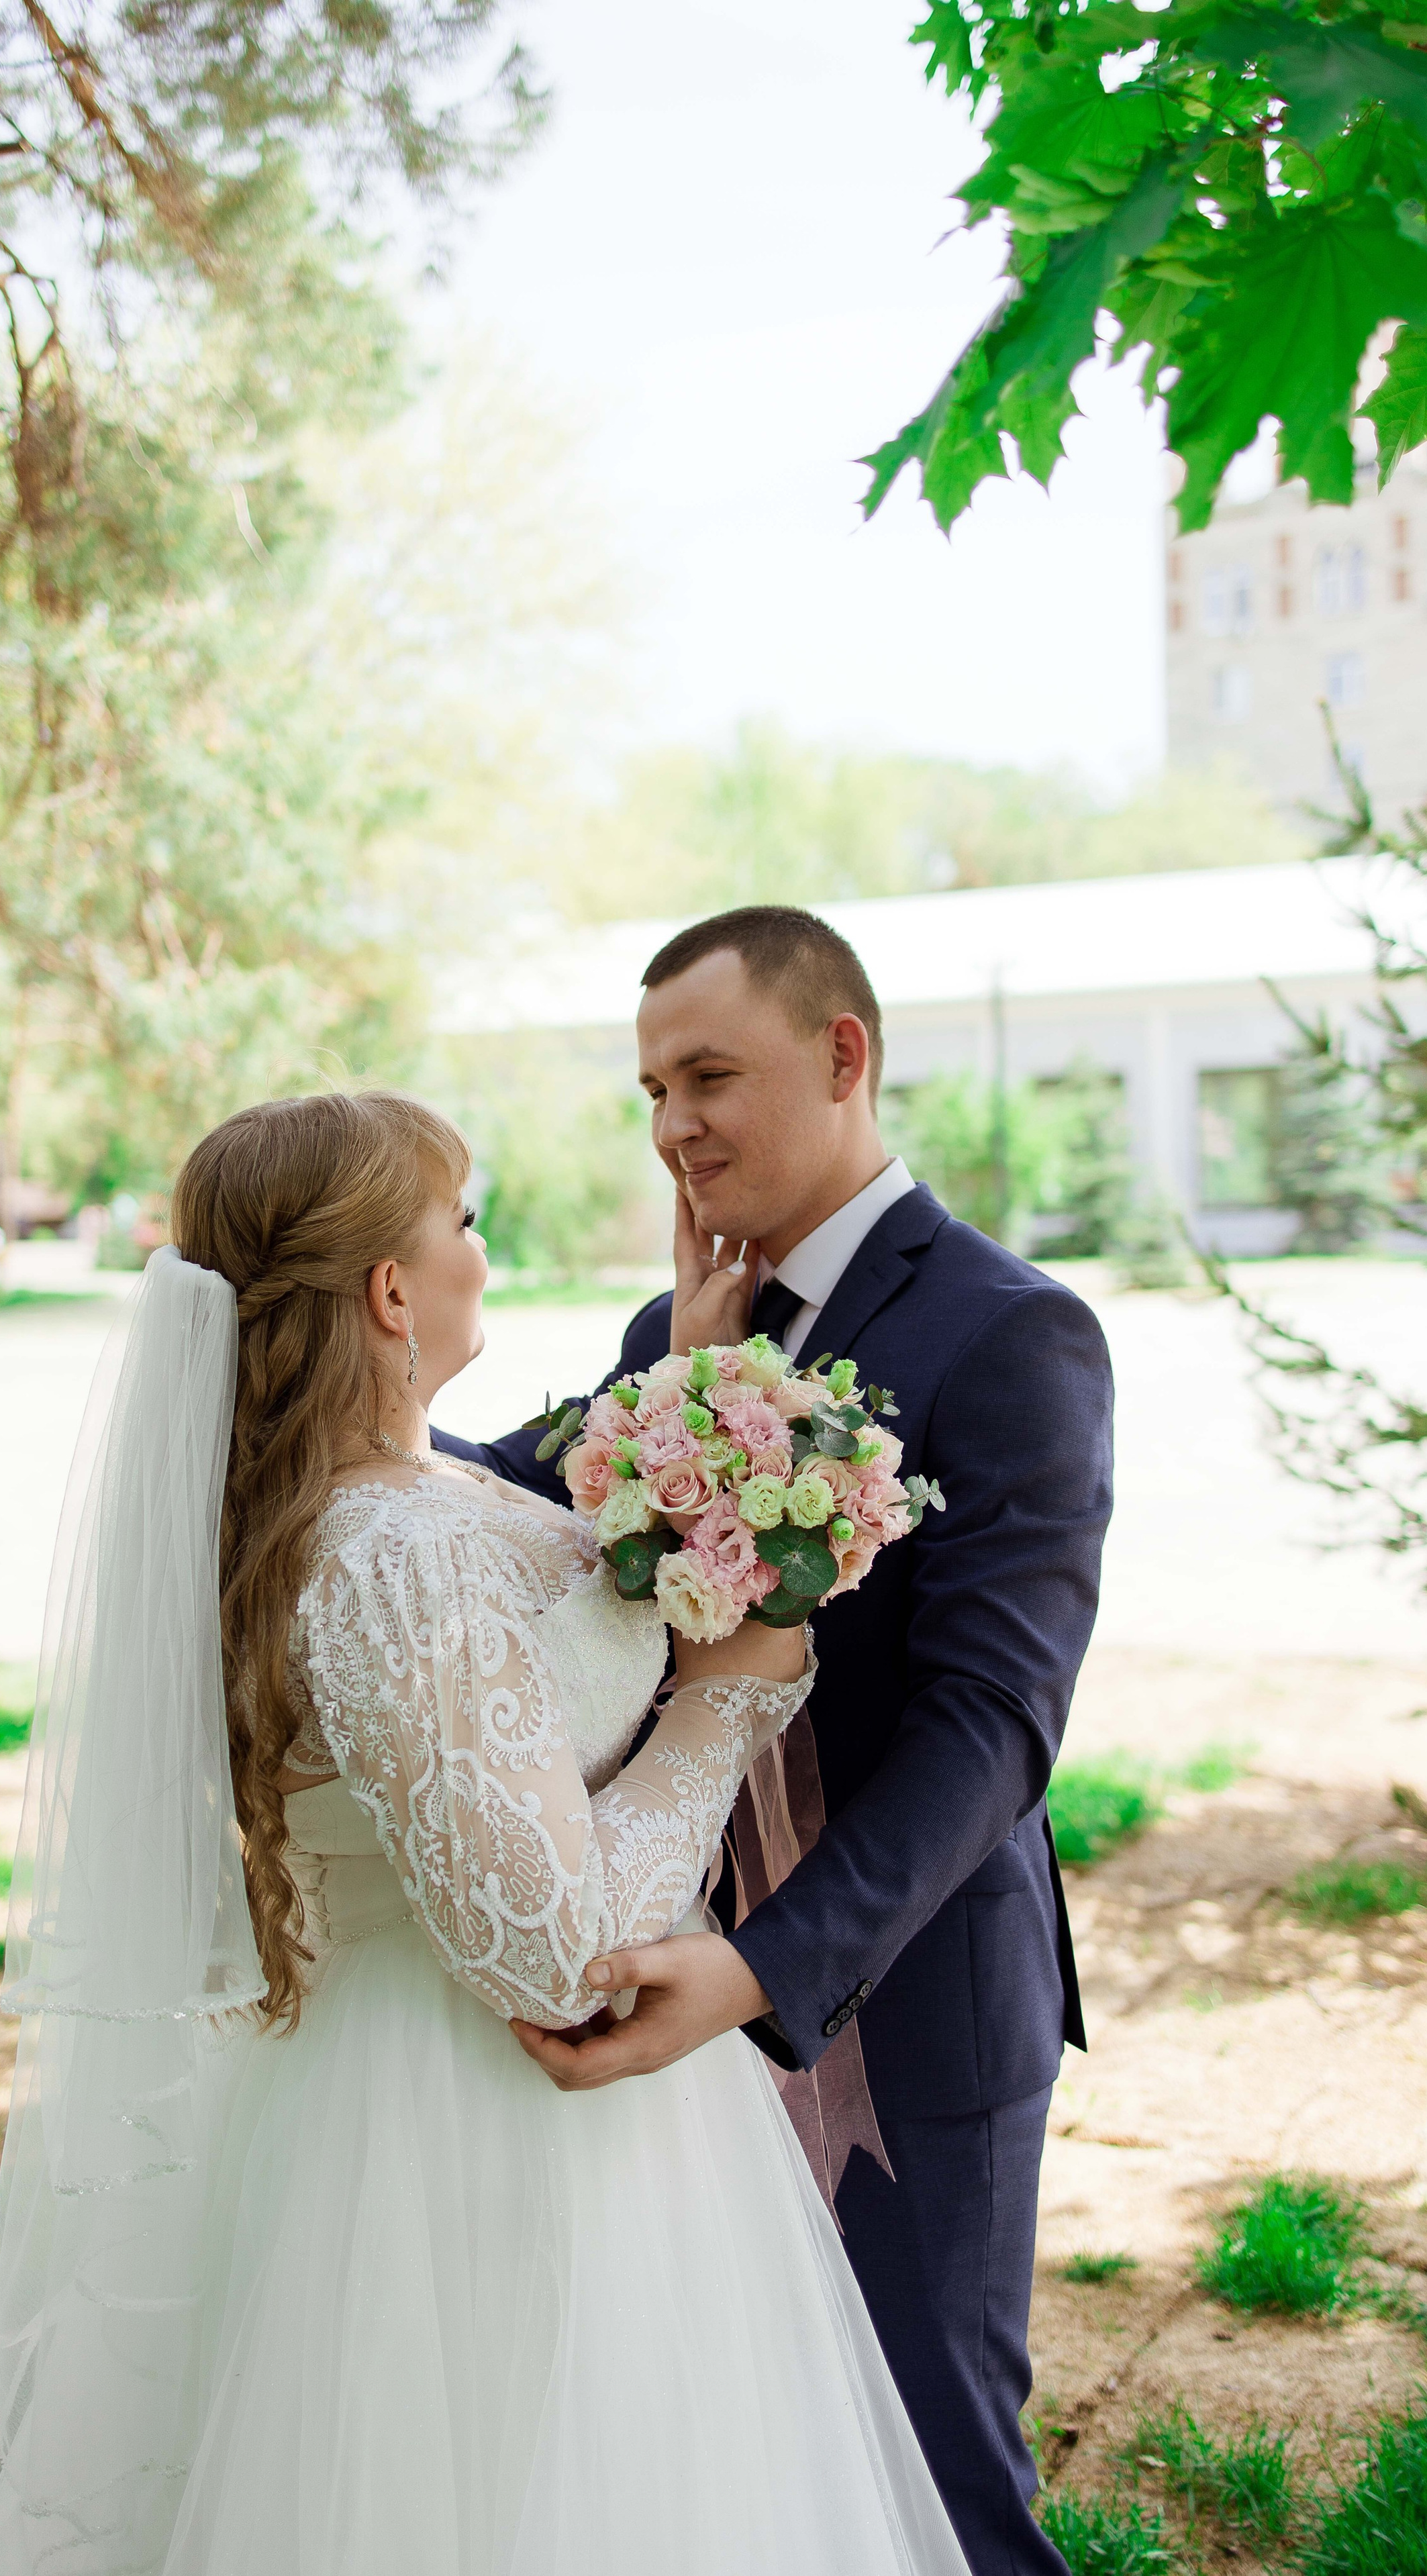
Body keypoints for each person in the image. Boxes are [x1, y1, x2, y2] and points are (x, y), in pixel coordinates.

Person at [0, 1086, 970, 2576]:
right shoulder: (388, 1562)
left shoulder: (413, 1495)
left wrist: (683, 1404)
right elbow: (556, 1961)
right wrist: (723, 1702)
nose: (486, 1251)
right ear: (390, 1286)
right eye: (463, 1220)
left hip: (525, 2116)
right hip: (469, 2143)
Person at [434, 907, 1116, 2576]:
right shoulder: (671, 1330)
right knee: (751, 2465)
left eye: (708, 1075)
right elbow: (493, 1496)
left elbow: (991, 1726)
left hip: (902, 2003)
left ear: (840, 1053)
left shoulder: (1007, 1331)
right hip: (673, 1985)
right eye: (651, 1088)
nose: (673, 1126)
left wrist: (758, 1972)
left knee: (937, 2470)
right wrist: (307, 1376)